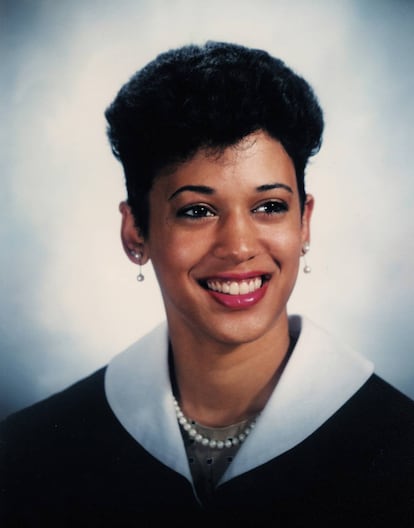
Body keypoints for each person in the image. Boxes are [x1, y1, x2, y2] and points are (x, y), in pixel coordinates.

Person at [1, 41, 413, 527]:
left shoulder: (400, 446)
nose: (239, 246)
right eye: (197, 210)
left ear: (304, 223)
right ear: (136, 231)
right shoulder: (28, 453)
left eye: (270, 206)